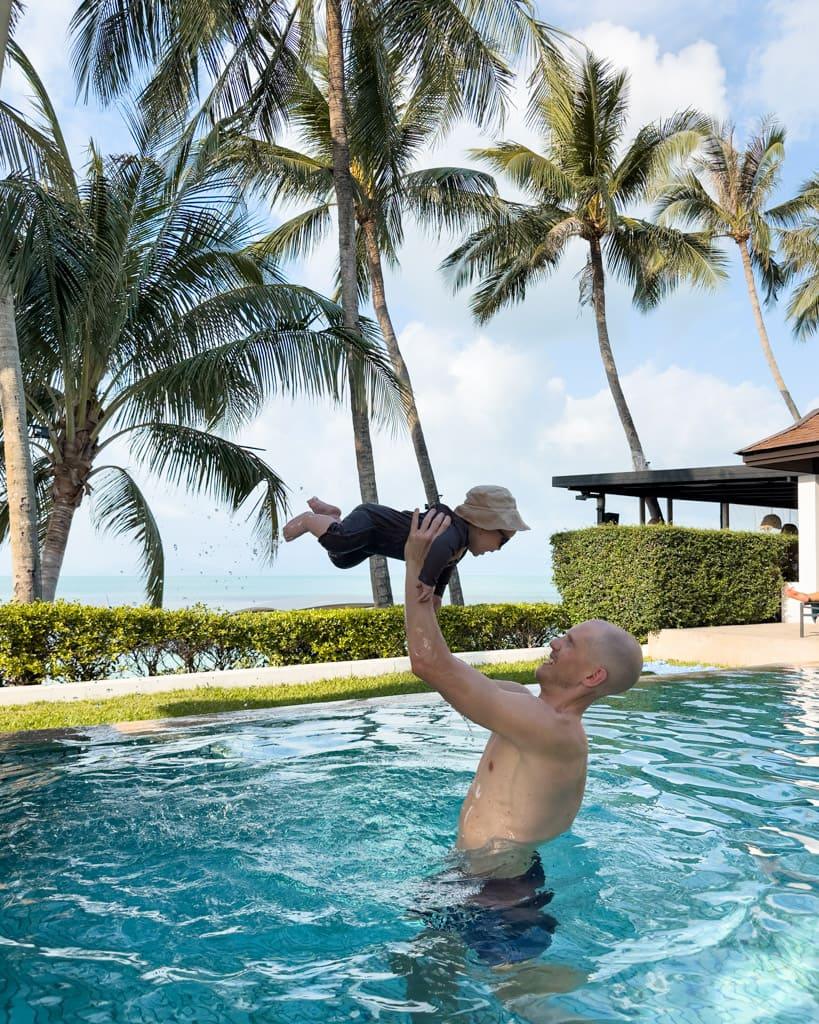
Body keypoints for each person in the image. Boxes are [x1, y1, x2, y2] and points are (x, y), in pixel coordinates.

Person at [403, 509, 644, 964]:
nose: (555, 643)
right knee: (427, 976)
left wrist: (414, 563)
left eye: (570, 643)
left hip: (501, 889)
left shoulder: (552, 730)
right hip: (471, 875)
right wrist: (429, 588)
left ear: (593, 674)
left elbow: (428, 664)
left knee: (526, 1000)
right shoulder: (522, 705)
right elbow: (446, 665)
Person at [282, 485, 529, 608]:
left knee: (341, 559)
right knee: (338, 540)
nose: (499, 548)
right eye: (502, 540)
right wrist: (427, 581)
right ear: (484, 525)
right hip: (372, 521)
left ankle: (333, 516)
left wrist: (436, 596)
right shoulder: (452, 530)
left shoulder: (461, 546)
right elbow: (439, 549)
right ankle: (309, 519)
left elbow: (446, 567)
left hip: (372, 544)